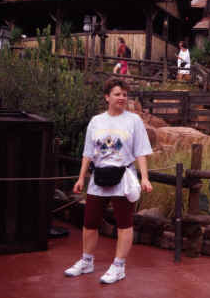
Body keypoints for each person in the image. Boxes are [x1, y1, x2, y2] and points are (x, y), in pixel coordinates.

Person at [64, 78, 153, 284]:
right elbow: (88, 153)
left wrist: (145, 178)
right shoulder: (96, 121)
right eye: (117, 94)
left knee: (124, 223)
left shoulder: (134, 121)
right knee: (89, 223)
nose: (122, 98)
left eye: (124, 94)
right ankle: (87, 261)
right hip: (98, 177)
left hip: (123, 177)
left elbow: (141, 152)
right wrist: (80, 178)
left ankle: (119, 266)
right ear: (107, 97)